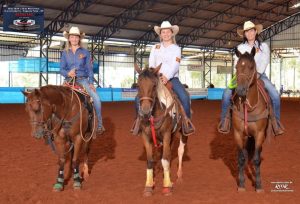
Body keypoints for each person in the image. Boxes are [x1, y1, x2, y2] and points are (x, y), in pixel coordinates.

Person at [218, 20, 283, 135]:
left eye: (251, 31)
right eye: (247, 32)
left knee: (275, 95)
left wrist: (256, 74)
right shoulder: (240, 48)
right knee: (226, 93)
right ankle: (225, 120)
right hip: (242, 76)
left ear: (255, 32)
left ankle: (275, 122)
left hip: (259, 75)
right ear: (244, 34)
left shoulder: (263, 47)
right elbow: (236, 64)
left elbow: (264, 61)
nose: (249, 33)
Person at [60, 26, 105, 134]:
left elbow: (89, 69)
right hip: (68, 81)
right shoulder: (65, 53)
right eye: (72, 37)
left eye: (76, 37)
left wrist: (91, 83)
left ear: (79, 38)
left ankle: (99, 124)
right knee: (57, 99)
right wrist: (68, 73)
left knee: (97, 99)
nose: (74, 39)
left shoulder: (85, 52)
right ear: (69, 38)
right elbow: (61, 69)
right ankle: (56, 126)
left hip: (82, 80)